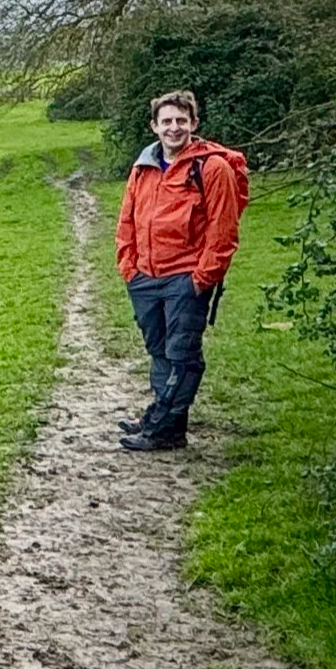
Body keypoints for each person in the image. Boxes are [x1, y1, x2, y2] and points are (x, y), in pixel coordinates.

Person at [114, 89, 248, 452]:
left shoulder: (212, 168)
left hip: (185, 278)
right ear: (154, 126)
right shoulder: (143, 167)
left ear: (194, 124)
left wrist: (200, 279)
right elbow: (127, 219)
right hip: (144, 277)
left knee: (183, 356)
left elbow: (223, 231)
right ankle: (168, 426)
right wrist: (129, 267)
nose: (174, 128)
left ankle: (159, 427)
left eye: (181, 121)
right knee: (159, 351)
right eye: (167, 121)